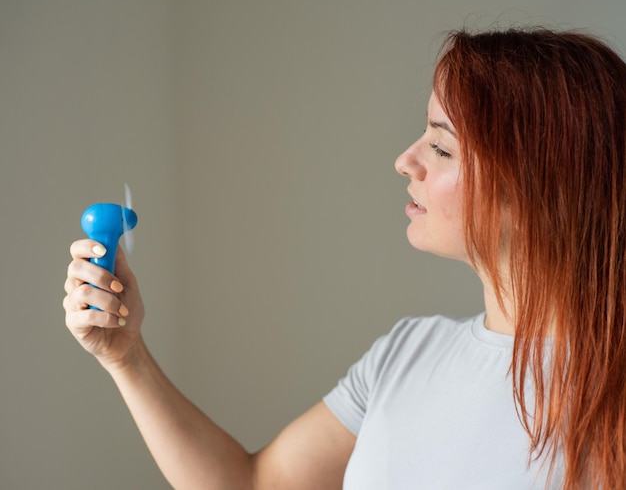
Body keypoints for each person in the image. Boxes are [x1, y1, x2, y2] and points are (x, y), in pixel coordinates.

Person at [63, 27, 626, 489]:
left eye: (441, 145)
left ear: (541, 188)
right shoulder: (406, 353)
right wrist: (126, 355)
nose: (406, 160)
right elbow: (252, 484)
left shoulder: (611, 391)